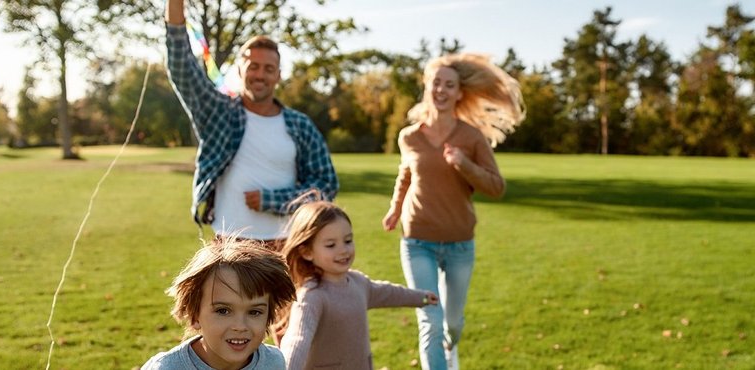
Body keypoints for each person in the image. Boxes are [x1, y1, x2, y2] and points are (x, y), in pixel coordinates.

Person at [381, 53, 524, 370]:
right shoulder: (410, 136)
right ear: (426, 86)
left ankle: (451, 348)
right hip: (417, 241)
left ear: (460, 93)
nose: (442, 90)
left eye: (450, 85)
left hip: (460, 244)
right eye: (436, 83)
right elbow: (406, 175)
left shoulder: (471, 137)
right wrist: (394, 209)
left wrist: (465, 164)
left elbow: (496, 187)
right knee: (429, 319)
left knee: (452, 323)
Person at [165, 0, 339, 247]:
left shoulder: (300, 125)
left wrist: (272, 200)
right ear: (239, 70)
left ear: (278, 75)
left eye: (269, 69)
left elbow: (327, 185)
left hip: (288, 245)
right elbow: (181, 65)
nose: (260, 74)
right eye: (253, 66)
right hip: (229, 245)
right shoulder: (219, 112)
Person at [275, 201, 439, 369]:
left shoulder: (358, 282)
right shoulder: (312, 296)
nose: (343, 250)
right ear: (307, 252)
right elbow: (297, 339)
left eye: (348, 240)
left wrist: (421, 297)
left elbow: (389, 293)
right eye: (331, 245)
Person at [141, 237, 297, 370]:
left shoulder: (274, 362)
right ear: (195, 315)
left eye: (254, 312)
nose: (240, 326)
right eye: (223, 311)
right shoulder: (166, 368)